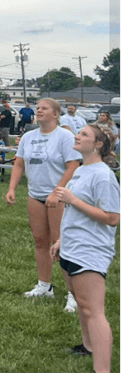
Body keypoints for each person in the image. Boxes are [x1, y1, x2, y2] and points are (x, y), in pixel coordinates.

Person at [50, 123, 120, 372]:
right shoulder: (81, 169)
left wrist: (73, 200)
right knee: (82, 303)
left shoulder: (103, 175)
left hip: (90, 251)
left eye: (84, 135)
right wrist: (61, 241)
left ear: (98, 144)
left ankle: (102, 369)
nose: (77, 137)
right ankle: (88, 346)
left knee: (93, 310)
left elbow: (112, 217)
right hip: (72, 246)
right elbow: (74, 213)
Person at [6, 98, 81, 311]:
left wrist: (56, 192)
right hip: (34, 195)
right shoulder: (29, 136)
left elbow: (73, 166)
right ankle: (45, 286)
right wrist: (11, 188)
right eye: (37, 108)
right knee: (40, 241)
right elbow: (19, 163)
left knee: (61, 243)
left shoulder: (65, 136)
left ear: (56, 114)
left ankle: (73, 294)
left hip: (58, 197)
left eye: (44, 108)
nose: (39, 111)